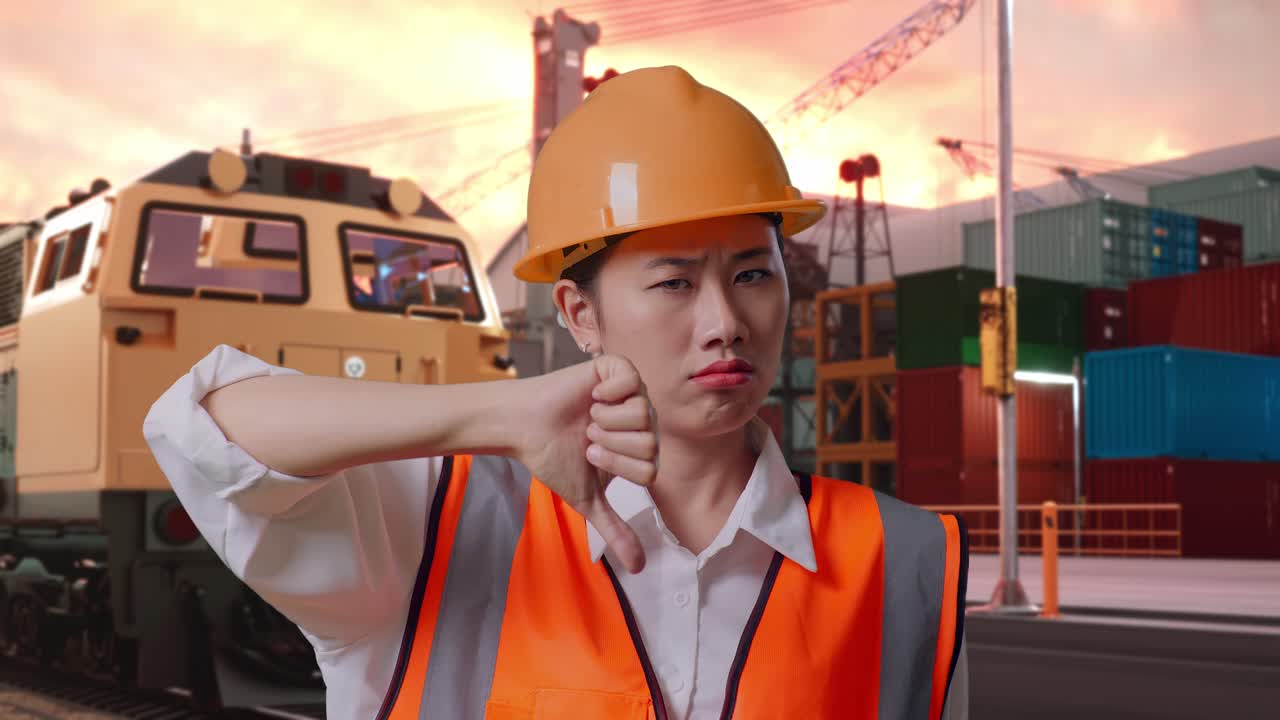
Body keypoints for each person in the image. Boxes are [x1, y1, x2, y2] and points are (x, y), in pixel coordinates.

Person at [143, 65, 969, 720]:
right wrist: (498, 411)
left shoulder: (905, 565)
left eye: (753, 273)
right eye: (675, 283)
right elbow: (202, 425)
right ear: (579, 314)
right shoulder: (431, 529)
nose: (726, 322)